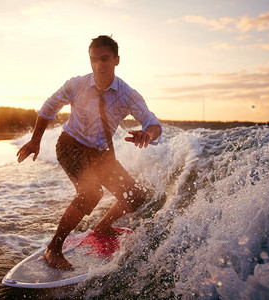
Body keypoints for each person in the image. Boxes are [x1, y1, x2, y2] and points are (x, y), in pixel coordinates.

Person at [16, 35, 162, 270]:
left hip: (100, 152)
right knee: (91, 193)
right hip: (70, 144)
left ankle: (103, 227)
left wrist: (148, 135)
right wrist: (35, 140)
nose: (98, 66)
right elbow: (48, 108)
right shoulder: (77, 85)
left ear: (116, 60)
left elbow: (152, 123)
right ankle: (53, 247)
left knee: (135, 195)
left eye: (104, 59)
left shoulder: (127, 94)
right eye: (93, 60)